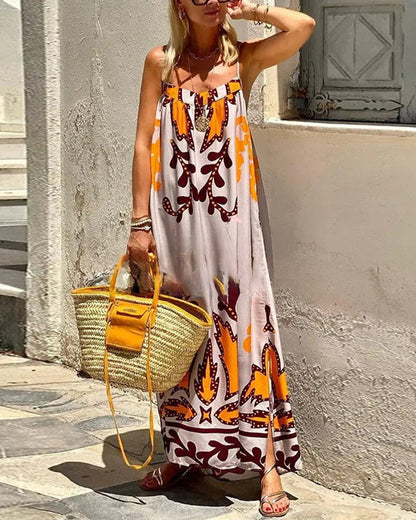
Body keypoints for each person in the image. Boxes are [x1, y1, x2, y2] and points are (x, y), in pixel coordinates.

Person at [126, 0, 315, 516]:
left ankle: (267, 465)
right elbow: (143, 144)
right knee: (180, 329)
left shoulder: (243, 59)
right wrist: (140, 223)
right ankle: (182, 454)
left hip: (232, 220)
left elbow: (303, 25)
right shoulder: (160, 62)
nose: (210, 0)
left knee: (244, 324)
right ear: (179, 4)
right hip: (173, 221)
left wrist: (252, 8)